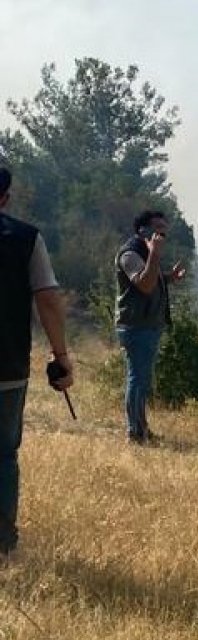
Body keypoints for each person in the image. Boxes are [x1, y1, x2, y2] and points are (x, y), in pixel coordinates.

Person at [0, 167, 74, 556]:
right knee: (3, 454)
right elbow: (47, 299)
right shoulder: (27, 238)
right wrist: (61, 357)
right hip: (6, 365)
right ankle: (2, 540)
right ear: (5, 198)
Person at [115, 210, 185, 444]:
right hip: (136, 327)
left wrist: (169, 277)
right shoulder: (130, 254)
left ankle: (141, 427)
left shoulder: (146, 252)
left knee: (142, 379)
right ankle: (135, 432)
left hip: (148, 326)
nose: (161, 234)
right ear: (142, 230)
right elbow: (144, 284)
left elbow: (152, 278)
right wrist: (155, 252)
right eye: (157, 228)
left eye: (164, 230)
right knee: (137, 379)